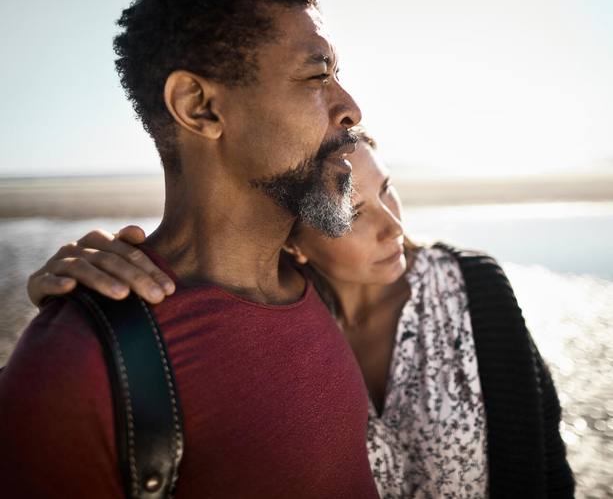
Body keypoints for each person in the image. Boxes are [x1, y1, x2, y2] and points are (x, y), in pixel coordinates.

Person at [0, 0, 382, 498]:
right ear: (199, 107)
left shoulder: (325, 277)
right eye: (317, 77)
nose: (351, 109)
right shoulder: (77, 360)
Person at [28, 128, 575, 498]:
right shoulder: (275, 323)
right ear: (294, 244)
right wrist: (85, 283)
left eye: (390, 191)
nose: (394, 228)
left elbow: (545, 463)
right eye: (354, 212)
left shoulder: (473, 286)